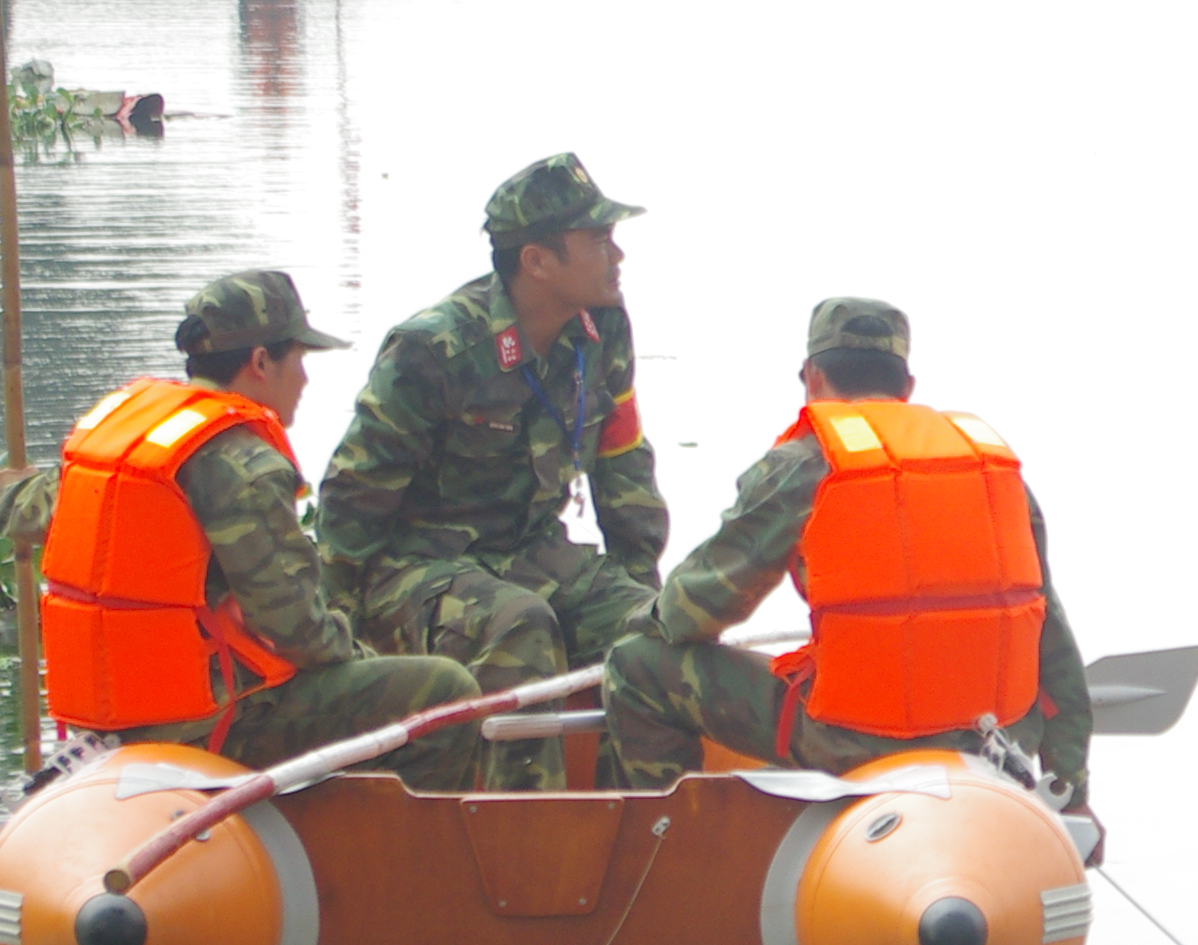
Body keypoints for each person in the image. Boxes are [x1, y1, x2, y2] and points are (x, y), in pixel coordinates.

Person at [603, 299, 1092, 802]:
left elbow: (692, 613)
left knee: (637, 664)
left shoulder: (804, 465)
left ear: (812, 378)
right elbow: (1051, 642)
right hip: (992, 736)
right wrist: (1072, 795)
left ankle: (673, 844)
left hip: (855, 743)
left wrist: (637, 618)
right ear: (907, 386)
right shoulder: (992, 470)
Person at [3, 272, 483, 773]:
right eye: (298, 359)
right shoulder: (243, 465)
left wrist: (9, 486)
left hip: (109, 723)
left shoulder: (128, 440)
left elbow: (29, 507)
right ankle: (383, 845)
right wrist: (359, 653)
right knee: (446, 690)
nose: (304, 379)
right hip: (209, 724)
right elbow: (295, 628)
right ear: (259, 362)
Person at [317, 153, 667, 790]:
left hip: (529, 551)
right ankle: (529, 847)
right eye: (598, 241)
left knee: (656, 627)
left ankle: (634, 825)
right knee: (518, 625)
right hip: (415, 564)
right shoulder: (434, 348)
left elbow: (623, 467)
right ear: (536, 260)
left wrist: (640, 584)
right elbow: (352, 500)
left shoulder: (603, 330)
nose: (617, 256)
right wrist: (337, 645)